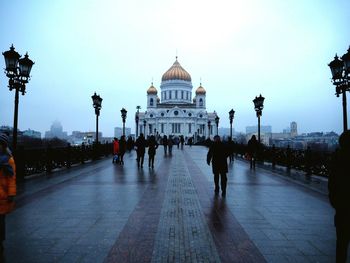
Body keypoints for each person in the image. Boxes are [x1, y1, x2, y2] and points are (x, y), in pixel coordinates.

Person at [328, 130, 350, 263]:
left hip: (341, 208)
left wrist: (335, 202)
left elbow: (332, 184)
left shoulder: (337, 159)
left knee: (341, 244)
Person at [0, 134, 16, 255]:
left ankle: (0, 241)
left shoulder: (8, 160)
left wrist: (11, 194)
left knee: (1, 220)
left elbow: (11, 179)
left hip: (3, 196)